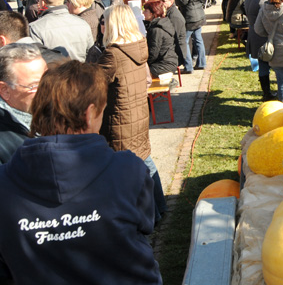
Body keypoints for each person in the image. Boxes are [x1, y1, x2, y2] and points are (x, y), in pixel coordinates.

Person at [0, 60, 162, 285]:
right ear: (90, 114)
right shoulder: (129, 170)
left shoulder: (4, 182)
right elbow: (146, 223)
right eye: (102, 111)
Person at [98, 4, 166, 223]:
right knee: (144, 159)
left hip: (120, 118)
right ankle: (160, 207)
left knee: (130, 171)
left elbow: (95, 83)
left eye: (103, 21)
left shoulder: (114, 54)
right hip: (137, 111)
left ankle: (150, 216)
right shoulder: (138, 45)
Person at [0, 44, 47, 164]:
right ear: (5, 90)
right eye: (34, 86)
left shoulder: (59, 111)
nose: (46, 89)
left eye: (47, 80)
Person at [29, 0, 93, 62]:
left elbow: (35, 60)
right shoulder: (83, 23)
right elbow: (91, 54)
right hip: (80, 71)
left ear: (43, 3)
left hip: (53, 72)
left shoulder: (35, 27)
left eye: (38, 0)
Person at [245, 0, 275, 100]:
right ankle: (268, 92)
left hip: (254, 34)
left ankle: (266, 92)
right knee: (268, 65)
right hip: (262, 36)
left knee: (263, 65)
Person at [177, 0, 207, 73]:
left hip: (189, 16)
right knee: (198, 40)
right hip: (199, 14)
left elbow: (184, 0)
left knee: (184, 41)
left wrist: (175, 0)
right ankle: (202, 63)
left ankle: (188, 66)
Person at [143, 0, 178, 78]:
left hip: (164, 64)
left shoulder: (156, 30)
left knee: (140, 74)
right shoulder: (163, 23)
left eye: (146, 10)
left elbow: (153, 53)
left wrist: (143, 64)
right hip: (168, 60)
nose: (143, 12)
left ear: (152, 13)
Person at [160, 0, 188, 70]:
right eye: (159, 0)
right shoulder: (168, 12)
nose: (160, 3)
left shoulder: (174, 17)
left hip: (176, 53)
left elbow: (174, 37)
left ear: (171, 2)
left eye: (163, 1)